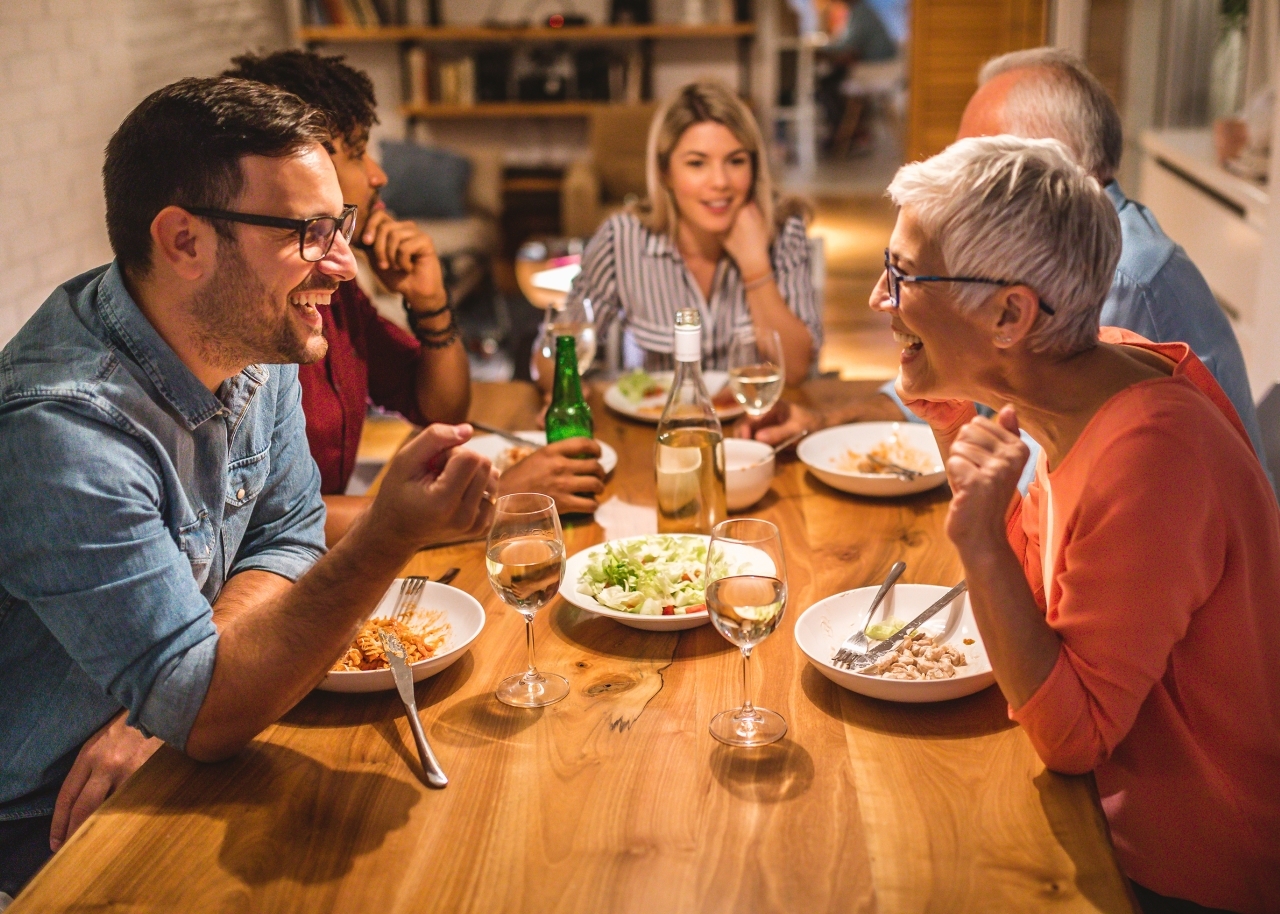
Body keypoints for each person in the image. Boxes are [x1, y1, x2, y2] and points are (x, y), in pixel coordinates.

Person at [0, 77, 495, 898]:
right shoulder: (63, 433)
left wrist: (185, 685)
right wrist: (389, 535)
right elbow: (206, 710)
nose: (341, 264)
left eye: (339, 225)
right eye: (309, 232)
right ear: (184, 241)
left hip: (181, 752)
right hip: (49, 823)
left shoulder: (244, 335)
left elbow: (288, 530)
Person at [884, 135, 1280, 913]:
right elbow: (1040, 592)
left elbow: (1074, 736)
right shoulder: (1102, 374)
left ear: (1009, 313)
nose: (879, 299)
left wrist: (974, 538)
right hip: (1110, 810)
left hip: (1186, 862)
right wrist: (952, 430)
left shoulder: (1153, 454)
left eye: (903, 276)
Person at [744, 48, 1270, 475]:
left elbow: (1037, 481)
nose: (953, 177)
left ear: (1045, 170)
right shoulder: (1061, 258)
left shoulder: (1116, 277)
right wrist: (831, 420)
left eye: (978, 161)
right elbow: (979, 373)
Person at [222, 51, 605, 535]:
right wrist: (494, 499)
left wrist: (430, 302)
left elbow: (438, 408)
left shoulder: (332, 291)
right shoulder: (244, 312)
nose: (378, 174)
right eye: (358, 150)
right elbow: (274, 526)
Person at [554, 80, 823, 384]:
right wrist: (561, 386)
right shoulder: (621, 238)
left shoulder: (784, 230)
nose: (720, 181)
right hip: (654, 423)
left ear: (754, 166)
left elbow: (797, 370)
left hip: (753, 425)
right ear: (665, 172)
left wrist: (755, 266)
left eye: (736, 161)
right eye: (697, 163)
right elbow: (557, 352)